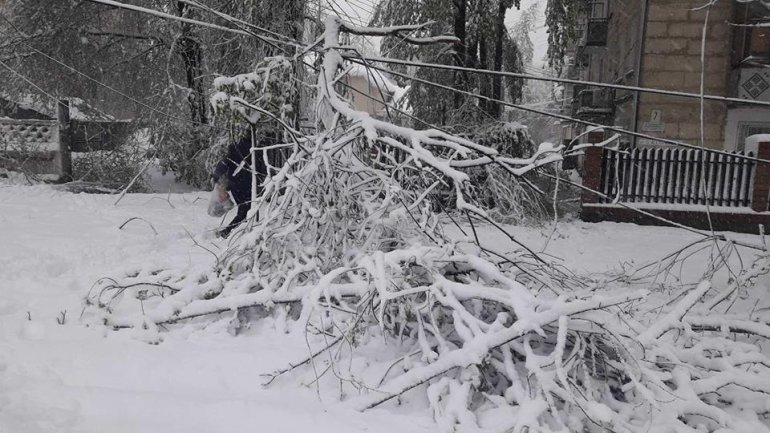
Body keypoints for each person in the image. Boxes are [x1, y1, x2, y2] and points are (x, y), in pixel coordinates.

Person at [211, 133, 270, 238]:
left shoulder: (234, 148)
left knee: (244, 210)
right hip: (249, 185)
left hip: (235, 184)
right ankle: (230, 232)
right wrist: (262, 181)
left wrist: (216, 177)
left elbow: (224, 163)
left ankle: (234, 231)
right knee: (245, 210)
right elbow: (261, 167)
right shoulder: (254, 149)